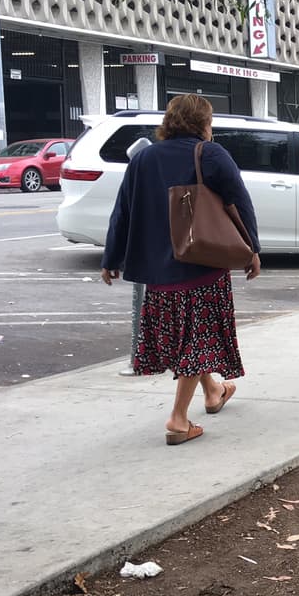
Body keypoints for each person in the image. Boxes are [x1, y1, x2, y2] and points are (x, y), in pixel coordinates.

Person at [101, 94, 262, 445]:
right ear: (202, 122)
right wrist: (252, 250)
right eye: (210, 121)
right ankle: (177, 419)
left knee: (189, 338)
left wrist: (111, 258)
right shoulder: (210, 154)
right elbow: (239, 201)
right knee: (196, 339)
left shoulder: (143, 158)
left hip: (159, 273)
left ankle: (214, 391)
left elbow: (122, 211)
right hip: (202, 263)